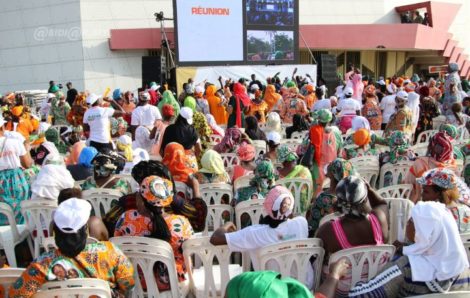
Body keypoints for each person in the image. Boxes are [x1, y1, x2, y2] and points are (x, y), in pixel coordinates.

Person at [10, 198, 135, 297]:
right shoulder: (110, 252)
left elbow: (16, 295)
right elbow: (128, 284)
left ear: (55, 231)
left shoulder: (42, 265)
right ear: (86, 229)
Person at [348, 201, 470, 297]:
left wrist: (335, 276)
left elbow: (361, 295)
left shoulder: (407, 267)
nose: (407, 223)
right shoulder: (463, 267)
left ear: (423, 230)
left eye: (412, 220)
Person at [211, 186, 312, 287]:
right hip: (304, 289)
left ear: (266, 207)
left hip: (271, 292)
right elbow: (283, 232)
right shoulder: (301, 223)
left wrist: (228, 224)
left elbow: (215, 238)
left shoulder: (255, 233)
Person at [114, 175, 193, 290]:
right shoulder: (181, 223)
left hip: (137, 285)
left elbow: (117, 247)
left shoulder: (126, 219)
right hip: (172, 285)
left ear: (141, 200)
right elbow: (189, 257)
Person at [317, 176, 388, 297]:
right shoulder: (379, 218)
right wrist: (369, 189)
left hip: (343, 291)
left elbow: (319, 258)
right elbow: (382, 203)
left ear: (338, 201)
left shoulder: (328, 230)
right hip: (376, 285)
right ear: (365, 199)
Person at [306, 158, 355, 237]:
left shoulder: (323, 199)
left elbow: (312, 226)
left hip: (325, 238)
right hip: (345, 237)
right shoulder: (352, 197)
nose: (329, 165)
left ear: (332, 173)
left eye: (331, 164)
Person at [405, 131, 458, 203]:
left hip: (420, 204)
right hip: (447, 204)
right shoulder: (452, 165)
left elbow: (407, 185)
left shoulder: (420, 164)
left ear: (431, 146)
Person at [0, 115, 32, 225]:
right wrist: (27, 149)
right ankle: (20, 235)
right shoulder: (14, 142)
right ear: (2, 128)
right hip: (16, 180)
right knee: (20, 210)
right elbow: (27, 164)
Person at [417, 168, 470, 233]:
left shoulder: (433, 214)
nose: (422, 194)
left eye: (426, 191)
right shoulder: (466, 211)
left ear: (439, 193)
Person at [307, 109, 342, 194]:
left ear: (318, 120)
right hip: (333, 172)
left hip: (318, 172)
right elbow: (339, 152)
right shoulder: (336, 132)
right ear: (330, 120)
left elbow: (304, 149)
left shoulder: (314, 133)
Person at [277, 145, 312, 213]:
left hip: (284, 211)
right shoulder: (305, 171)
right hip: (302, 210)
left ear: (282, 161)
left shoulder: (278, 175)